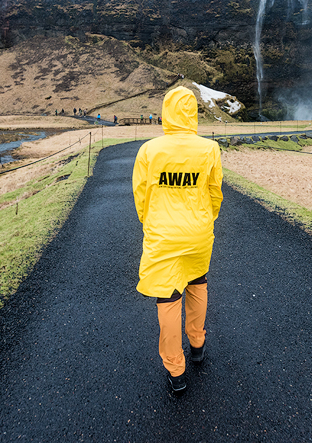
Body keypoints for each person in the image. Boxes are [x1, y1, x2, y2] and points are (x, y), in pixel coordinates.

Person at [132, 87, 223, 395]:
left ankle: (177, 371)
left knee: (169, 298)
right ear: (193, 113)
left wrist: (151, 222)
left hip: (163, 235)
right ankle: (197, 345)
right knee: (198, 283)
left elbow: (141, 195)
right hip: (198, 232)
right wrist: (205, 221)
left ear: (167, 111)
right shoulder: (209, 149)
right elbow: (215, 193)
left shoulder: (149, 150)